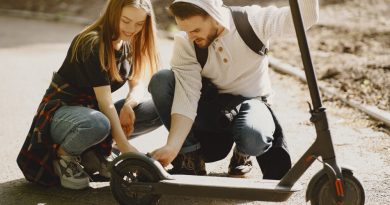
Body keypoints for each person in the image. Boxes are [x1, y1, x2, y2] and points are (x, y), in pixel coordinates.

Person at [148, 0, 319, 178]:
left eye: (196, 30)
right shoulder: (187, 43)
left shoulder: (252, 21)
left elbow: (305, 18)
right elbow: (186, 97)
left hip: (252, 103)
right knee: (162, 80)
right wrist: (173, 147)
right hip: (213, 109)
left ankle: (243, 153)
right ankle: (191, 157)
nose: (190, 37)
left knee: (254, 137)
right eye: (185, 30)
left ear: (215, 17)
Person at [17, 0, 161, 190]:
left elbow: (138, 83)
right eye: (125, 21)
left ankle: (92, 153)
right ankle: (65, 155)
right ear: (113, 14)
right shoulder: (91, 42)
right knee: (99, 122)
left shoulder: (128, 44)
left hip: (95, 114)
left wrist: (129, 104)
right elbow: (105, 102)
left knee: (156, 108)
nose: (132, 29)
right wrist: (124, 146)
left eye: (139, 24)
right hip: (63, 116)